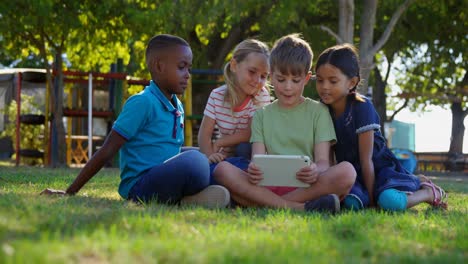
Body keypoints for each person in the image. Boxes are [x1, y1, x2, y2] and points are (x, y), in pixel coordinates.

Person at [41, 34, 230, 208]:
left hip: (165, 178)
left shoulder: (177, 106)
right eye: (182, 67)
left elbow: (171, 152)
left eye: (189, 68)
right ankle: (186, 197)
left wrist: (208, 155)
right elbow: (108, 150)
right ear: (159, 66)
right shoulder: (142, 102)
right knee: (196, 161)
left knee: (210, 160)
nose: (188, 74)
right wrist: (70, 191)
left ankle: (189, 200)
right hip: (140, 187)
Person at [212, 34, 356, 213]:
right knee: (222, 170)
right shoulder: (261, 116)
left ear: (306, 78)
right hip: (268, 186)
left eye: (295, 81)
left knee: (347, 172)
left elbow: (323, 163)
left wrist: (315, 170)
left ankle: (263, 204)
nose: (288, 87)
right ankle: (299, 208)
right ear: (271, 76)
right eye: (280, 79)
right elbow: (257, 160)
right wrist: (254, 170)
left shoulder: (319, 112)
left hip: (306, 187)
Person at [314, 43, 448, 211]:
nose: (324, 86)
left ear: (352, 82)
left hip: (379, 170)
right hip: (352, 174)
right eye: (320, 80)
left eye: (332, 81)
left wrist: (371, 202)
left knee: (388, 202)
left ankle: (427, 191)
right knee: (351, 204)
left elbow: (366, 159)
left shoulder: (361, 107)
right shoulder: (321, 110)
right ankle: (409, 183)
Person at [198, 39, 271, 175]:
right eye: (252, 72)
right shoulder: (217, 96)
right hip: (225, 157)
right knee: (195, 157)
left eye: (263, 76)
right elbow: (204, 135)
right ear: (234, 65)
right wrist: (209, 156)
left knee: (243, 148)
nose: (257, 80)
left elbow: (251, 133)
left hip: (250, 155)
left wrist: (220, 142)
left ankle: (241, 180)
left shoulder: (261, 96)